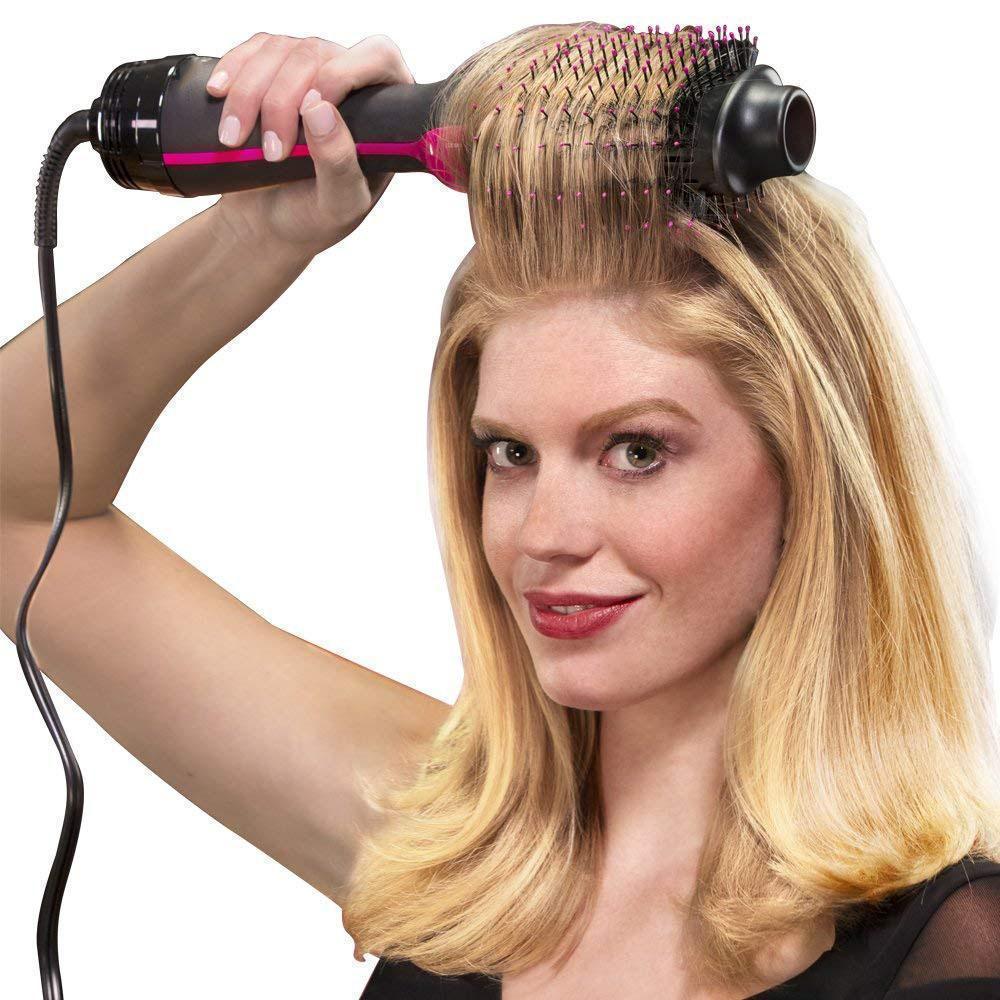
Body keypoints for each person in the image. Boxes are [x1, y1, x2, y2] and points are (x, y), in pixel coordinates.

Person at [2, 22, 999, 1000]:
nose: (545, 535)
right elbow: (16, 514)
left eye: (636, 451)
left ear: (809, 476)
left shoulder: (957, 950)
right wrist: (254, 235)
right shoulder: (451, 847)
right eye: (512, 454)